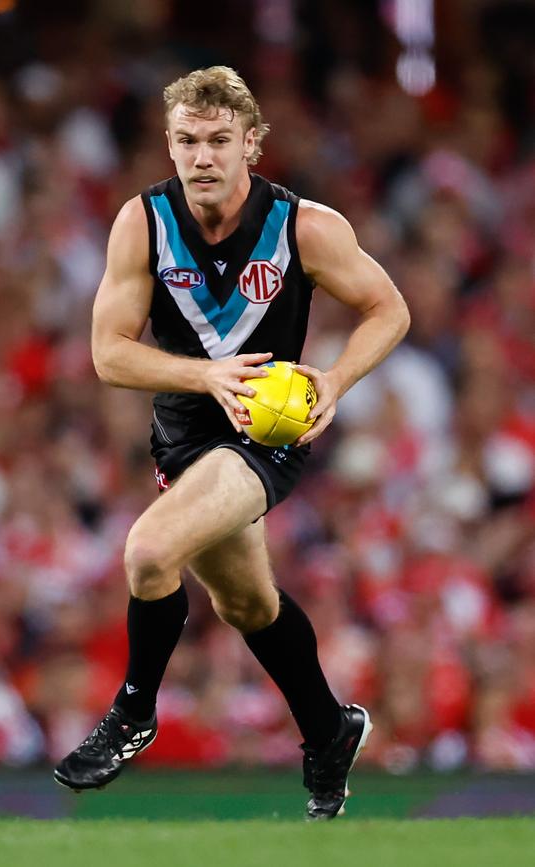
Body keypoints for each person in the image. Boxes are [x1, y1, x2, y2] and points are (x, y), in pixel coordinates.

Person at [53, 66, 410, 820]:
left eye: (220, 140)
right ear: (170, 144)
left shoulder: (305, 226)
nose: (203, 157)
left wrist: (337, 381)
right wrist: (205, 375)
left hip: (265, 435)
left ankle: (133, 709)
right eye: (188, 140)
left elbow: (389, 309)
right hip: (183, 435)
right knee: (245, 601)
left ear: (252, 143)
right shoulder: (142, 223)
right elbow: (108, 354)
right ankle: (329, 728)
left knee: (150, 553)